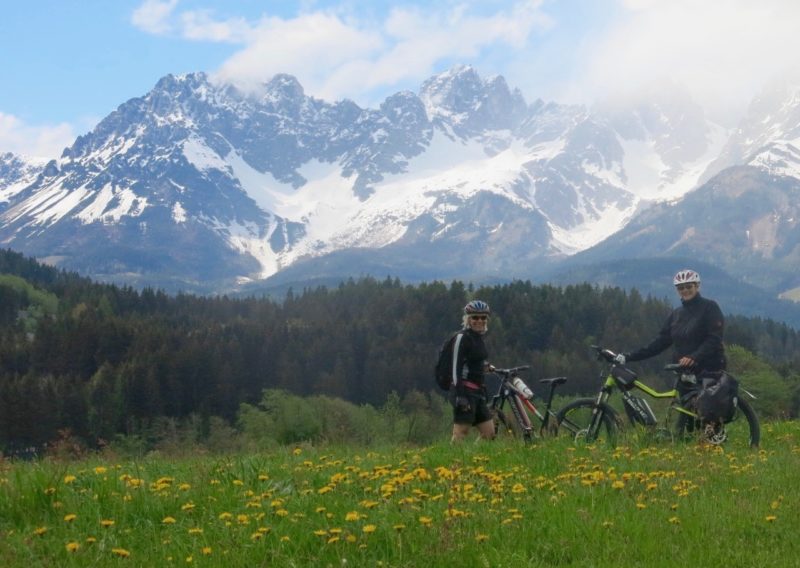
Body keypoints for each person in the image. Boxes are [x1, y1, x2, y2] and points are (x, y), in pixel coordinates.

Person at [614, 269, 725, 399]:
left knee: (707, 412)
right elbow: (660, 343)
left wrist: (694, 357)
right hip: (685, 371)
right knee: (686, 412)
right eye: (681, 288)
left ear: (697, 286)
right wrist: (629, 356)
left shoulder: (710, 307)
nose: (685, 290)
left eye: (689, 286)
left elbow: (714, 338)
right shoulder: (676, 314)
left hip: (709, 369)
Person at [450, 300, 496, 442]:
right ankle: (452, 463)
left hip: (478, 392)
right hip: (464, 391)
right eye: (475, 317)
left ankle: (476, 460)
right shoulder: (461, 338)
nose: (479, 321)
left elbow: (474, 360)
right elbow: (455, 368)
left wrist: (486, 366)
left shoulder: (478, 338)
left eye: (483, 318)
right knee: (461, 433)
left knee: (489, 434)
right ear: (467, 319)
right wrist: (460, 396)